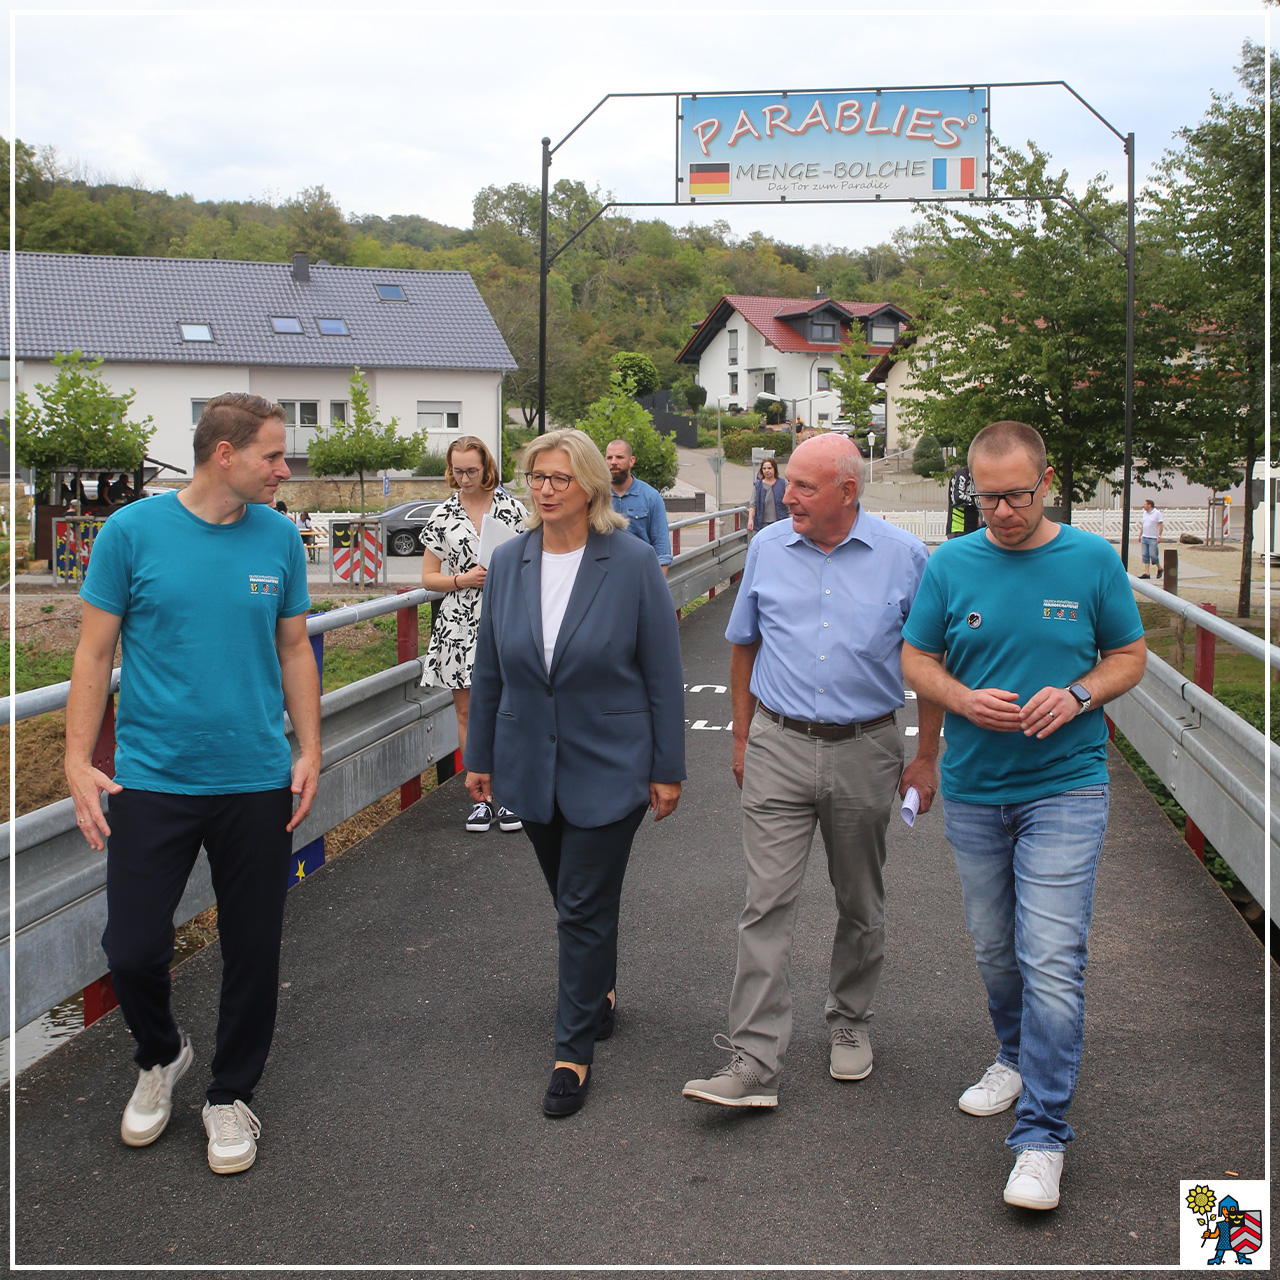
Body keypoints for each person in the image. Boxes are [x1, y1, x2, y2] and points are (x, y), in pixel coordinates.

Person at [64, 391, 321, 1175]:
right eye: (273, 456)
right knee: (133, 947)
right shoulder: (131, 533)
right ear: (225, 454)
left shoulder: (279, 538)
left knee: (252, 947)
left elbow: (295, 651)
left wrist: (309, 748)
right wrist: (77, 761)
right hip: (152, 779)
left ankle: (228, 1094)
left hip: (253, 779)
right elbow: (92, 655)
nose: (284, 469)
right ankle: (162, 1053)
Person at [900, 420, 1146, 1212]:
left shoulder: (1090, 561)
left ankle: (1042, 1137)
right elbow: (916, 658)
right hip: (976, 788)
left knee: (1050, 956)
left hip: (1066, 784)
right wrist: (960, 700)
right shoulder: (951, 563)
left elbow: (1129, 655)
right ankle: (1012, 1055)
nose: (1000, 511)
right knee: (997, 949)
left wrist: (1080, 694)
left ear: (1046, 485)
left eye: (1015, 494)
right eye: (985, 495)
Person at [683, 433, 943, 1109]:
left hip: (866, 747)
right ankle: (753, 1060)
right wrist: (743, 738)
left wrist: (926, 756)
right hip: (779, 743)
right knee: (765, 902)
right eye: (788, 482)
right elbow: (744, 646)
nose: (785, 495)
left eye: (802, 486)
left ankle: (850, 1021)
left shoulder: (904, 558)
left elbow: (933, 666)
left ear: (847, 492)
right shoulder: (769, 546)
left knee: (859, 898)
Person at [465, 428, 685, 1117]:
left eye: (560, 478)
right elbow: (492, 667)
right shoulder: (509, 561)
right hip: (529, 761)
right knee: (571, 897)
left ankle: (572, 1051)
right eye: (536, 477)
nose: (546, 489)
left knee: (581, 908)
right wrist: (479, 757)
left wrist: (667, 768)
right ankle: (601, 989)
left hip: (611, 763)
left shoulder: (633, 562)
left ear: (591, 485)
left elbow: (662, 674)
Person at [418, 435, 528, 834]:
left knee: (510, 707)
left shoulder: (512, 509)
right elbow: (428, 577)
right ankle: (481, 799)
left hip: (506, 617)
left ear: (487, 468)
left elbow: (535, 560)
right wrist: (461, 578)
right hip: (458, 624)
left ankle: (510, 794)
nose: (464, 478)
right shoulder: (442, 515)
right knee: (467, 712)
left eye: (471, 470)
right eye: (457, 470)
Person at [604, 437, 672, 575]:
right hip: (605, 577)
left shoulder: (651, 497)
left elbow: (662, 549)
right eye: (609, 457)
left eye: (619, 457)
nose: (614, 462)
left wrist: (656, 589)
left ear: (631, 461)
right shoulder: (597, 496)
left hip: (640, 575)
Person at [747, 457, 786, 533]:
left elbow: (789, 505)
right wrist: (750, 519)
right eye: (764, 469)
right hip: (763, 525)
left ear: (774, 469)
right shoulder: (758, 486)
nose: (767, 471)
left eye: (769, 468)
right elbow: (753, 505)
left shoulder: (782, 484)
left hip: (780, 523)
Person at [946, 464, 983, 538]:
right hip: (958, 528)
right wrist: (976, 503)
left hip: (972, 528)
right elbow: (958, 498)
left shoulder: (976, 479)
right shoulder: (962, 475)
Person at [1139, 499, 1163, 579]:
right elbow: (1143, 524)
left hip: (1153, 537)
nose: (1144, 506)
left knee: (1153, 555)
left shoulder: (1157, 513)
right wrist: (1140, 535)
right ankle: (1147, 573)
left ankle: (1159, 568)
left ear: (1150, 505)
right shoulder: (1144, 513)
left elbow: (1160, 524)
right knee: (1145, 555)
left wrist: (1159, 536)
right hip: (1145, 536)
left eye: (1145, 504)